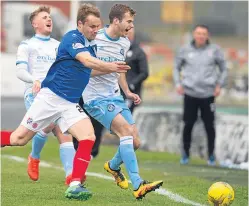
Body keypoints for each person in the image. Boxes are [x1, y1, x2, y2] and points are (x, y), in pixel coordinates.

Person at [1, 3, 130, 201]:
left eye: (98, 26)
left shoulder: (91, 44)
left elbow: (90, 70)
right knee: (19, 139)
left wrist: (113, 68)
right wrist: (109, 65)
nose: (96, 30)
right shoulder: (72, 37)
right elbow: (87, 61)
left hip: (69, 103)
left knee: (88, 137)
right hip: (50, 98)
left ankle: (75, 184)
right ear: (80, 24)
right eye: (92, 26)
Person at [81, 4, 163, 199]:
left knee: (135, 141)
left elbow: (119, 70)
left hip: (115, 96)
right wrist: (109, 68)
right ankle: (138, 184)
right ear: (116, 21)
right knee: (125, 132)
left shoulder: (124, 43)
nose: (131, 26)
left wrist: (127, 92)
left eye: (132, 22)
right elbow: (85, 72)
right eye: (129, 22)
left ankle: (112, 166)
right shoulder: (95, 39)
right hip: (95, 99)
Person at [16, 6, 75, 185]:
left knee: (65, 132)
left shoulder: (58, 46)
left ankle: (72, 177)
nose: (49, 19)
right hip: (35, 94)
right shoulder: (27, 45)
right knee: (48, 124)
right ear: (35, 24)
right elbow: (20, 71)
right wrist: (34, 80)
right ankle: (34, 157)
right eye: (44, 17)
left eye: (49, 17)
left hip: (57, 94)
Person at [173, 24, 227, 166]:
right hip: (190, 93)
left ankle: (211, 156)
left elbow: (223, 69)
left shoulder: (214, 50)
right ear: (194, 34)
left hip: (208, 94)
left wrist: (219, 85)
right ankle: (185, 154)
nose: (201, 36)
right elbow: (176, 67)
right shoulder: (185, 50)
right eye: (198, 33)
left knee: (209, 125)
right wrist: (178, 84)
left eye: (203, 33)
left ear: (207, 35)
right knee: (188, 124)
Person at [123, 28, 149, 113]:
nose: (127, 33)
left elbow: (144, 72)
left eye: (129, 30)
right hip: (118, 91)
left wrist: (132, 84)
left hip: (132, 92)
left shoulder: (139, 52)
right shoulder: (119, 49)